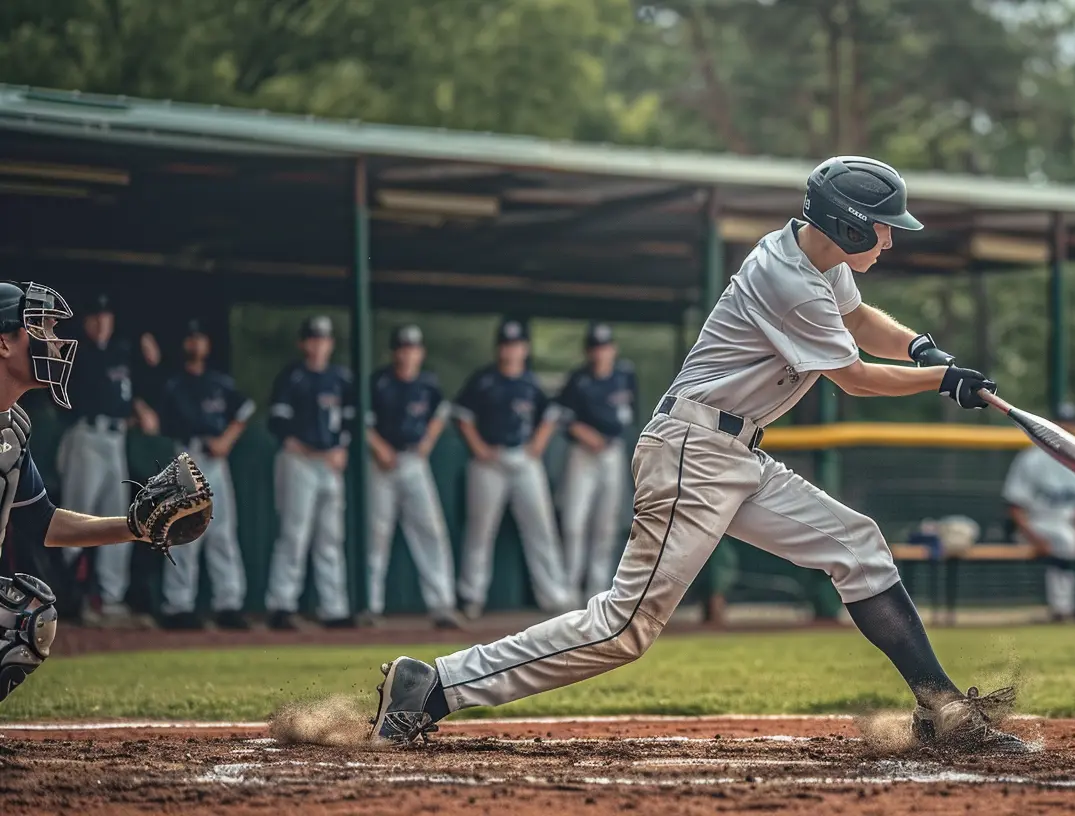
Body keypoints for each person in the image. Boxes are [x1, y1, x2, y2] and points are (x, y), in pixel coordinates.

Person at [370, 156, 1031, 754]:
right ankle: (431, 687)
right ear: (849, 227)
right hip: (694, 451)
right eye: (883, 228)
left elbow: (860, 321)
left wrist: (921, 348)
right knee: (623, 629)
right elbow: (855, 375)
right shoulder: (787, 276)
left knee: (858, 547)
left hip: (733, 454)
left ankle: (943, 710)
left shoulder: (818, 260)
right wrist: (944, 381)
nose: (890, 239)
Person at [0, 281, 201, 702]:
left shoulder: (13, 429)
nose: (54, 342)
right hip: (91, 439)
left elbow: (44, 522)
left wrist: (135, 527)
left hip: (107, 439)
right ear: (4, 343)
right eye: (40, 330)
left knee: (30, 616)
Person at [452, 319, 573, 619]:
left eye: (516, 345)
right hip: (489, 462)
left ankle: (554, 596)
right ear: (498, 348)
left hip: (523, 459)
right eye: (506, 345)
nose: (510, 351)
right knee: (480, 531)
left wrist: (538, 445)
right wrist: (478, 447)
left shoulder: (531, 382)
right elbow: (461, 415)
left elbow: (551, 414)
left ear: (525, 348)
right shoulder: (483, 380)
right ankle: (471, 596)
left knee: (541, 529)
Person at [54, 292, 160, 628]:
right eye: (95, 317)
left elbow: (141, 382)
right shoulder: (77, 353)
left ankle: (110, 599)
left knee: (119, 520)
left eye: (107, 317)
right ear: (86, 322)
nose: (101, 323)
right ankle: (68, 597)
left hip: (116, 439)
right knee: (79, 517)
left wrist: (139, 406)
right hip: (86, 436)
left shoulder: (121, 352)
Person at [155, 319, 252, 631]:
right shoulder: (174, 383)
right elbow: (158, 423)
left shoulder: (219, 383)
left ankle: (229, 604)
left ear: (207, 345)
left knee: (223, 533)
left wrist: (227, 439)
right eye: (190, 339)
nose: (195, 344)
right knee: (184, 531)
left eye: (200, 338)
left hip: (216, 459)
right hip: (186, 456)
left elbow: (245, 410)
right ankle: (178, 605)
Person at [363, 325, 460, 630]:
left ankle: (442, 604)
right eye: (402, 348)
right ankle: (370, 606)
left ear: (421, 353)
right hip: (382, 464)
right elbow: (360, 420)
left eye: (413, 348)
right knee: (376, 534)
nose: (407, 354)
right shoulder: (379, 383)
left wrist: (428, 442)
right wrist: (378, 447)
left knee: (431, 530)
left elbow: (440, 412)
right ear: (395, 352)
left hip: (414, 461)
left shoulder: (428, 384)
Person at [263, 315, 355, 630]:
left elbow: (349, 423)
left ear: (330, 344)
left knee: (331, 537)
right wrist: (313, 449)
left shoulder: (340, 378)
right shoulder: (292, 376)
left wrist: (341, 448)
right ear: (303, 343)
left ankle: (334, 608)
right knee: (295, 533)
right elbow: (278, 423)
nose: (318, 346)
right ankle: (281, 605)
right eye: (313, 339)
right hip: (299, 460)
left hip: (330, 464)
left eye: (324, 339)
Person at [1003, 402, 1075, 623]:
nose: (1066, 429)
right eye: (1061, 424)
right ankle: (1062, 610)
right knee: (1066, 541)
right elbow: (1015, 507)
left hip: (1070, 526)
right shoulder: (1031, 458)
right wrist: (1034, 538)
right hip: (1037, 524)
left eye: (1070, 424)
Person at [554, 322, 638, 598]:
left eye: (604, 347)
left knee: (606, 525)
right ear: (588, 352)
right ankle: (568, 588)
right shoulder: (578, 379)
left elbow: (632, 414)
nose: (600, 353)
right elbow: (562, 417)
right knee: (574, 522)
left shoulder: (624, 375)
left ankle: (597, 590)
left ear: (612, 349)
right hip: (583, 454)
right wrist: (584, 433)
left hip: (611, 453)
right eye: (595, 348)